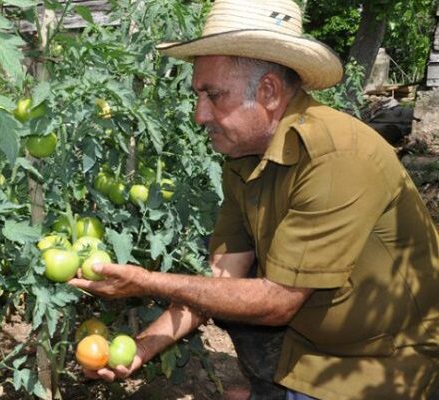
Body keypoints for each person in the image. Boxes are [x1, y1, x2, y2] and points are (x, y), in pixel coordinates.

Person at [68, 0, 439, 399]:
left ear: (268, 91)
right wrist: (143, 347)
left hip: (387, 366)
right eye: (198, 95)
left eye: (213, 95)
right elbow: (222, 280)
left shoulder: (337, 157)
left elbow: (277, 301)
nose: (199, 115)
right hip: (312, 352)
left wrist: (146, 282)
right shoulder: (243, 160)